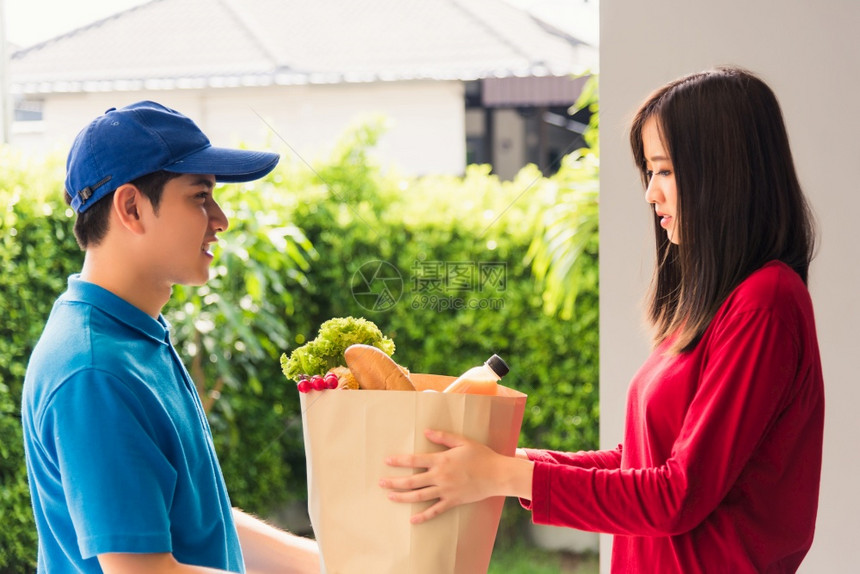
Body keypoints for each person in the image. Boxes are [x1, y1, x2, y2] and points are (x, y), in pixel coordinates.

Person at [381, 66, 824, 573]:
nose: (650, 193)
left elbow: (676, 495)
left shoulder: (765, 304)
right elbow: (643, 461)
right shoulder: (718, 306)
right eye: (650, 172)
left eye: (666, 170)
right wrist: (509, 465)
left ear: (724, 174)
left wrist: (503, 475)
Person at [21, 101, 320, 574]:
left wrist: (338, 563)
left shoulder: (133, 337)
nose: (220, 219)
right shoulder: (94, 370)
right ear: (132, 207)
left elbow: (193, 516)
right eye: (200, 196)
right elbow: (143, 570)